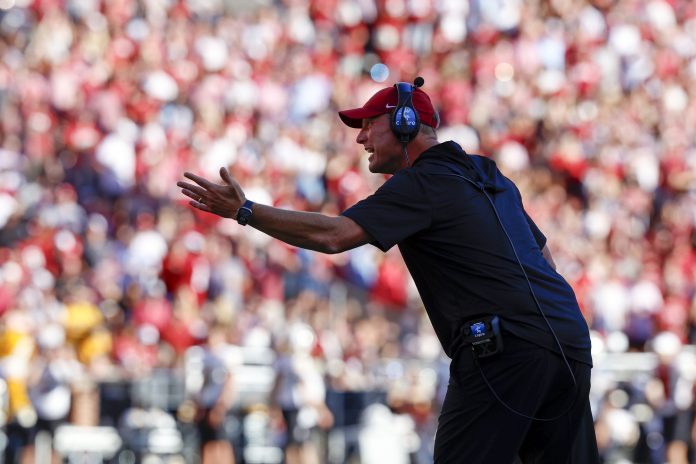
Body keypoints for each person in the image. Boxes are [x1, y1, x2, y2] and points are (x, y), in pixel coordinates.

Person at [177, 79, 600, 463]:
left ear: (404, 123)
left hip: (505, 347)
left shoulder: (422, 183)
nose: (360, 137)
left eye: (368, 124)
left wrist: (245, 211)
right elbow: (545, 261)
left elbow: (335, 236)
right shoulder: (490, 174)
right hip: (569, 339)